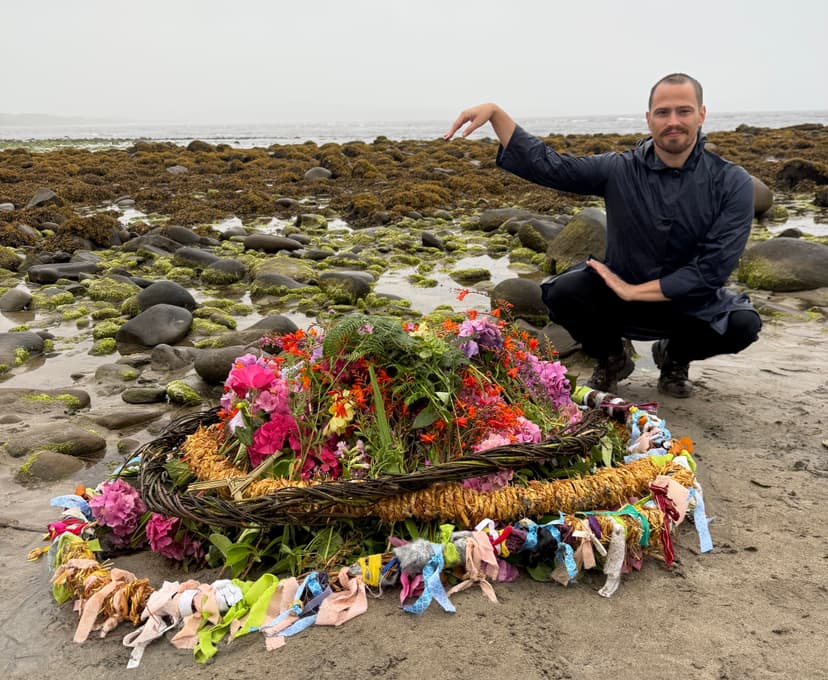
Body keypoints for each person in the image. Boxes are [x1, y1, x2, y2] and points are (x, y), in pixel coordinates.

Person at [443, 73, 762, 398]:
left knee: (742, 324)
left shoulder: (731, 181)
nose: (673, 121)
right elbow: (552, 167)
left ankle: (675, 357)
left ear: (702, 114)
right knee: (562, 290)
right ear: (649, 119)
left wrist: (636, 291)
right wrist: (497, 114)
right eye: (663, 112)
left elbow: (713, 270)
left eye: (684, 111)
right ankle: (612, 358)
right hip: (619, 299)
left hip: (690, 303)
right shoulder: (619, 168)